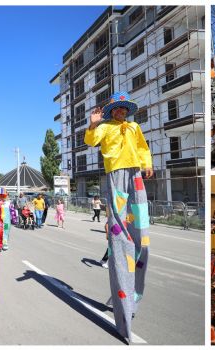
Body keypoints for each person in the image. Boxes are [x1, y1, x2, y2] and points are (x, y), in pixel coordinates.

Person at [84, 91, 152, 343]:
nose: (120, 112)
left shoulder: (134, 127)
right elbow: (91, 141)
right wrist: (93, 123)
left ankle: (128, 293)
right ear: (112, 111)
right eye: (117, 109)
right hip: (116, 175)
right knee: (119, 230)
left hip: (134, 173)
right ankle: (121, 298)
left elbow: (143, 149)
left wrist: (147, 164)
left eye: (124, 108)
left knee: (140, 232)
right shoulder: (105, 127)